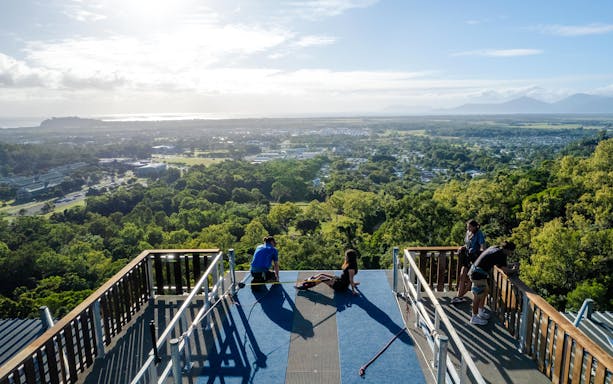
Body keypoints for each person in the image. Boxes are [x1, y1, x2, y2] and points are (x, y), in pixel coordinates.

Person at [468, 241, 518, 325]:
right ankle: (474, 317)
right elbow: (505, 270)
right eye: (511, 252)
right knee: (478, 295)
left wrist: (512, 265)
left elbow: (502, 265)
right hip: (478, 274)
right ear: (508, 250)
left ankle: (480, 311)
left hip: (476, 271)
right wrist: (515, 269)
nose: (511, 254)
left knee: (485, 290)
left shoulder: (496, 248)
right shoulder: (501, 255)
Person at [451, 219, 486, 304]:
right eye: (467, 226)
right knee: (462, 275)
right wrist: (462, 247)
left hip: (475, 258)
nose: (468, 228)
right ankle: (459, 295)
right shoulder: (468, 233)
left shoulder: (479, 234)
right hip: (467, 256)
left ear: (474, 227)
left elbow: (482, 246)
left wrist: (480, 254)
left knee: (471, 278)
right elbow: (467, 244)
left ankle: (460, 296)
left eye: (470, 226)